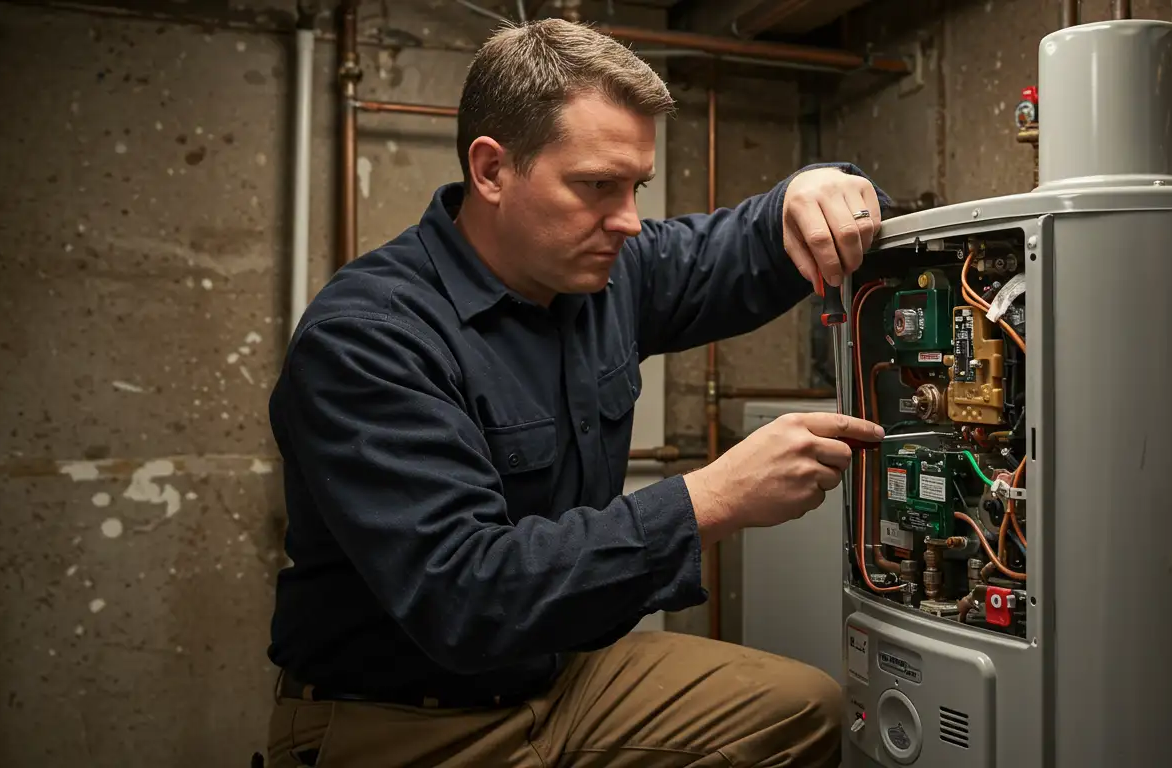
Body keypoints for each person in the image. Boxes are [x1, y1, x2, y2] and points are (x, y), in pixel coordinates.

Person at [264, 17, 887, 768]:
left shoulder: (606, 272)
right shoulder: (369, 337)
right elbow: (466, 598)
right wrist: (711, 498)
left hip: (558, 675)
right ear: (492, 171)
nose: (628, 219)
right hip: (405, 709)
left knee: (799, 711)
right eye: (596, 186)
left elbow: (752, 242)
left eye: (636, 187)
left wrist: (816, 189)